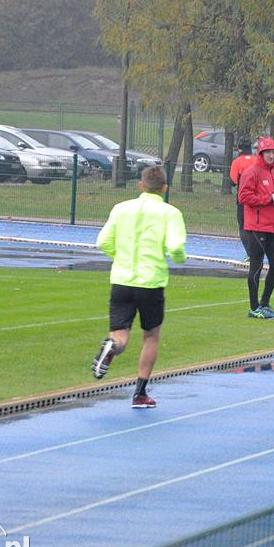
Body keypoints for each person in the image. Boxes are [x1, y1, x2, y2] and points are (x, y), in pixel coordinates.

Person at [92, 165, 187, 409]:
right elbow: (176, 248)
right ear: (164, 188)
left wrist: (120, 256)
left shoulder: (121, 208)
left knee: (120, 334)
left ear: (140, 185)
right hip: (151, 281)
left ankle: (113, 346)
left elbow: (102, 241)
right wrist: (177, 258)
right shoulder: (170, 213)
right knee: (151, 335)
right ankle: (140, 393)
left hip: (122, 279)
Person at [237, 136, 274, 319]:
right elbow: (243, 197)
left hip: (273, 227)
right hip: (256, 227)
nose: (271, 155)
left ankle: (265, 303)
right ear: (261, 153)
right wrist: (269, 199)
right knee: (256, 267)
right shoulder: (252, 172)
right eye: (268, 152)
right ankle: (254, 307)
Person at [229, 137, 258, 256]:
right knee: (255, 226)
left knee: (243, 226)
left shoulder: (237, 162)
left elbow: (233, 181)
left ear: (239, 149)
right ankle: (257, 251)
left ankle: (250, 253)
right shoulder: (257, 161)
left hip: (242, 198)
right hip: (257, 197)